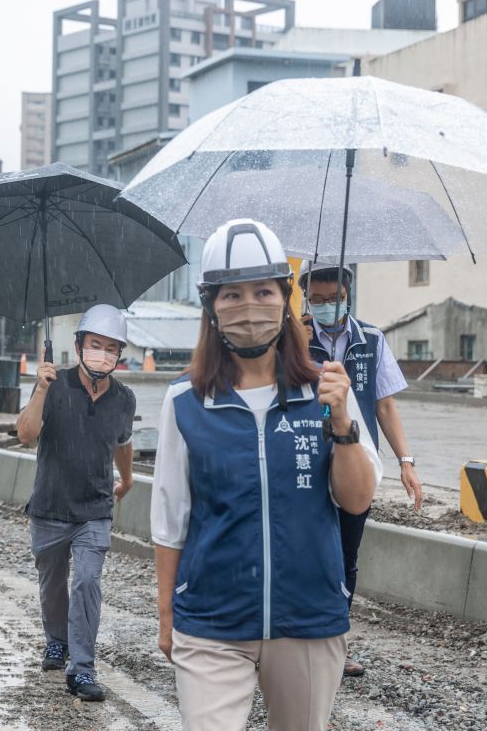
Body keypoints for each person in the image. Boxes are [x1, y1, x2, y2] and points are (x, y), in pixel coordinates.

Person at [151, 220, 382, 731]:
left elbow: (357, 500)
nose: (248, 307)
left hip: (308, 619)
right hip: (211, 620)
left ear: (285, 298)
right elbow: (170, 521)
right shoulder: (185, 402)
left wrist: (342, 424)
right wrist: (168, 614)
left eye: (262, 291)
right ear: (210, 306)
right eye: (231, 294)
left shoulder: (326, 392)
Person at [299, 260, 421, 678]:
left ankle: (335, 641)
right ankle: (298, 639)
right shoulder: (293, 340)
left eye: (332, 299)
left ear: (347, 295)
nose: (324, 307)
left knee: (347, 554)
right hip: (305, 459)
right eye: (316, 300)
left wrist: (406, 462)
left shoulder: (370, 339)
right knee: (307, 550)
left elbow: (385, 403)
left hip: (358, 460)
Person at [15, 304, 136, 702]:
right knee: (52, 586)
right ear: (79, 345)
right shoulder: (54, 384)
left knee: (87, 583)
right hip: (49, 507)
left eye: (110, 348)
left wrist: (128, 477)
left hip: (95, 510)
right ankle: (55, 639)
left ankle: (82, 669)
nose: (102, 354)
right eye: (95, 345)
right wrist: (41, 389)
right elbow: (26, 435)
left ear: (120, 355)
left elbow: (122, 442)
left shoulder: (124, 399)